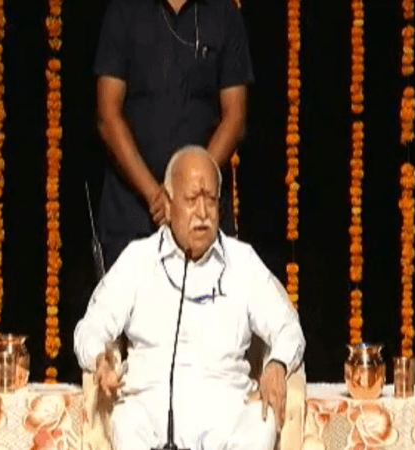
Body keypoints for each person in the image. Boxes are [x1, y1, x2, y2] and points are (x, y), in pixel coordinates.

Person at [74, 147, 304, 450]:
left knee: (259, 426)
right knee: (127, 424)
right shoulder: (138, 260)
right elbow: (89, 328)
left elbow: (288, 327)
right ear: (168, 206)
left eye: (210, 199)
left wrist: (276, 364)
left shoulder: (243, 261)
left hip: (227, 413)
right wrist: (99, 358)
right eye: (192, 199)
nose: (203, 213)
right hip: (151, 411)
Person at [94, 0, 253, 269]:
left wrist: (189, 192)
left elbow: (235, 117)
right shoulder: (123, 9)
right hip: (132, 214)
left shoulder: (223, 13)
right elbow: (108, 116)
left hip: (200, 218)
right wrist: (156, 196)